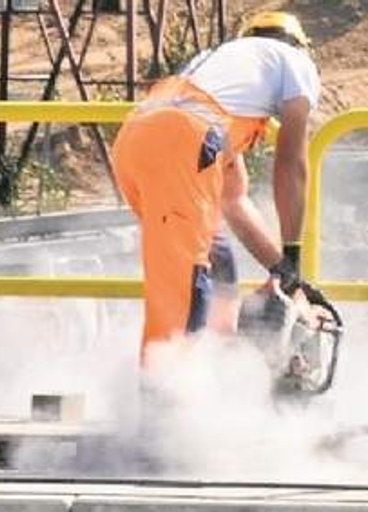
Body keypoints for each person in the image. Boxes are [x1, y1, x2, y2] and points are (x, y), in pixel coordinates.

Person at [111, 10, 327, 360]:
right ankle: (167, 398)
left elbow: (234, 201)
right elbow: (291, 165)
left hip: (135, 140)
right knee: (184, 285)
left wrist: (283, 272)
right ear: (298, 45)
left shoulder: (215, 71)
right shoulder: (294, 62)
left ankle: (217, 361)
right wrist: (292, 254)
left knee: (214, 252)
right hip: (180, 143)